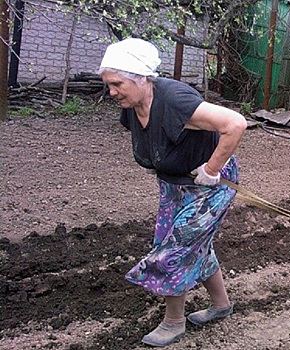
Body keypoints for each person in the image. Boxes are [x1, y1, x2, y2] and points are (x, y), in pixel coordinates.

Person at [98, 38, 247, 347]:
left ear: (141, 77)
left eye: (117, 83)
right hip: (174, 184)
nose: (111, 91)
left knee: (174, 250)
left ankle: (174, 322)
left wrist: (212, 169)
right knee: (192, 246)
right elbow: (154, 140)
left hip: (210, 185)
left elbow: (235, 123)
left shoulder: (176, 99)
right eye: (108, 84)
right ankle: (221, 306)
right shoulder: (132, 105)